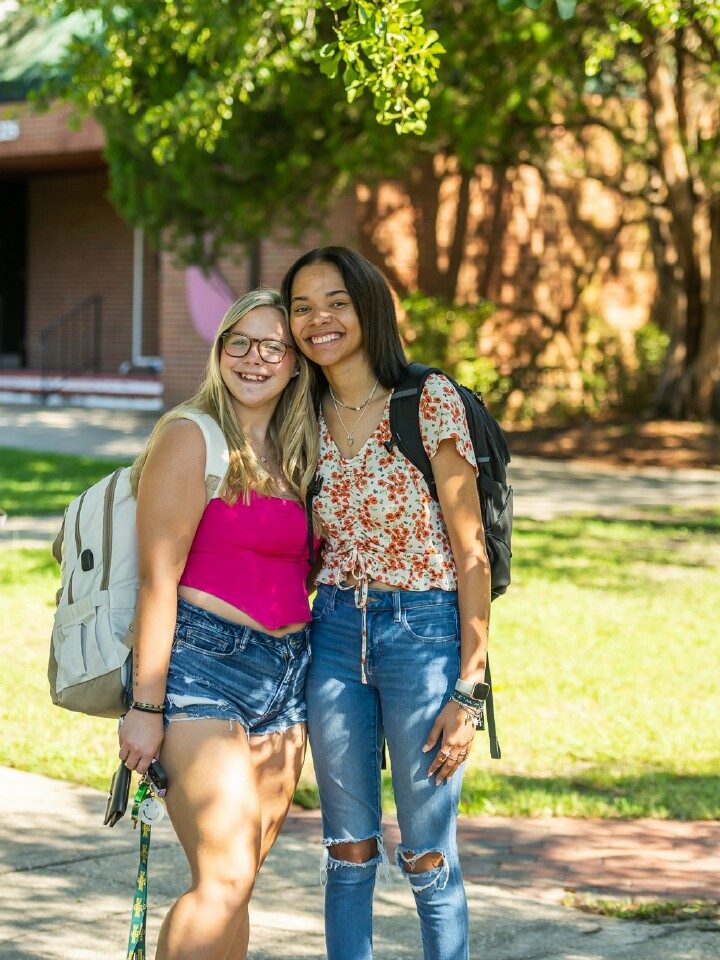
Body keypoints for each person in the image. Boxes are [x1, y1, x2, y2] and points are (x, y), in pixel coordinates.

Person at [281, 247, 490, 960]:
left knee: (428, 851)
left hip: (423, 633)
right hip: (335, 630)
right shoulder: (299, 410)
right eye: (302, 307)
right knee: (347, 849)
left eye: (334, 301)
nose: (318, 320)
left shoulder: (426, 400)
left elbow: (471, 555)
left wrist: (470, 687)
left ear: (367, 306)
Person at [117, 288, 319, 960]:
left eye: (273, 346)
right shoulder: (189, 435)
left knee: (238, 883)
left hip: (288, 678)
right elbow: (157, 581)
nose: (255, 358)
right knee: (224, 875)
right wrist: (145, 707)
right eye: (240, 342)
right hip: (202, 668)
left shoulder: (296, 452)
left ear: (295, 364)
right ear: (219, 350)